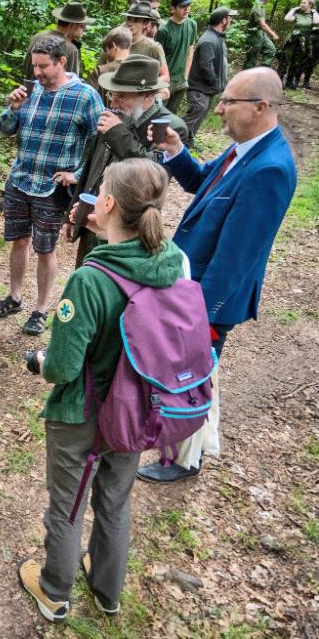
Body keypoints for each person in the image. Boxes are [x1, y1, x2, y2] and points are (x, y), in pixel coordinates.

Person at [18, 159, 185, 624]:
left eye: (101, 189)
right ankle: (108, 589)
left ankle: (54, 591)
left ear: (107, 203)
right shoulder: (170, 261)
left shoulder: (91, 280)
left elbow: (64, 367)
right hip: (139, 410)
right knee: (114, 500)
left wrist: (40, 362)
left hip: (85, 415)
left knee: (68, 506)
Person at [139, 67, 297, 483]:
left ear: (261, 108)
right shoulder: (242, 148)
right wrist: (175, 149)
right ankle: (174, 439)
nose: (219, 110)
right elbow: (198, 183)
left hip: (209, 301)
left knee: (190, 377)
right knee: (178, 373)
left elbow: (236, 258)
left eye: (229, 102)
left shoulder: (269, 170)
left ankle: (184, 459)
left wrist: (197, 314)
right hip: (192, 290)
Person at [0, 35, 102, 335]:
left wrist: (77, 174)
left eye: (43, 66)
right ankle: (14, 297)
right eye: (34, 65)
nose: (37, 73)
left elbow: (98, 141)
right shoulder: (31, 91)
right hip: (20, 180)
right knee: (19, 241)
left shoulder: (85, 96)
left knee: (45, 249)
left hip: (52, 190)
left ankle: (40, 309)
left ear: (62, 62)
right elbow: (5, 130)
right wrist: (12, 109)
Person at [70, 55, 187, 267]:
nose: (113, 103)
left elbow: (154, 175)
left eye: (122, 96)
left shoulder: (169, 126)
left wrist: (118, 134)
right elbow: (91, 167)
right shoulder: (115, 116)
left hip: (130, 229)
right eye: (112, 95)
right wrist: (74, 215)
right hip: (95, 218)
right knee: (87, 282)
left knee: (119, 290)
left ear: (146, 95)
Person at [183, 7, 238, 146]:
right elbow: (206, 66)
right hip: (199, 89)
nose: (231, 20)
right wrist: (215, 83)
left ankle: (188, 143)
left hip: (207, 88)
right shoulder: (209, 40)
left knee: (199, 117)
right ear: (223, 20)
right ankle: (175, 143)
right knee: (193, 116)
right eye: (229, 18)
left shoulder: (217, 37)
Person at [24, 0, 94, 78]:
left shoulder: (36, 37)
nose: (85, 29)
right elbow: (71, 82)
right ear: (72, 25)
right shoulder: (70, 49)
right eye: (82, 26)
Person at [156, 0, 199, 113]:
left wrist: (185, 76)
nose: (186, 9)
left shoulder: (192, 24)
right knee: (157, 114)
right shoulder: (163, 30)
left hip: (181, 81)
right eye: (182, 6)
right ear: (173, 9)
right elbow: (157, 58)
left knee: (171, 115)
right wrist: (163, 81)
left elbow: (190, 50)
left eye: (188, 6)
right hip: (165, 81)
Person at [122, 1, 170, 90]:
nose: (130, 23)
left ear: (146, 24)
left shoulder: (153, 47)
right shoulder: (116, 41)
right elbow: (99, 72)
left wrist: (143, 88)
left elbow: (165, 77)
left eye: (136, 20)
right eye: (129, 18)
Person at [279, 0, 319, 88]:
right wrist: (293, 9)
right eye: (301, 2)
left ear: (310, 5)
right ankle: (279, 80)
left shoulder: (313, 16)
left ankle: (289, 81)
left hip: (304, 41)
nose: (301, 4)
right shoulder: (297, 13)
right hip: (292, 40)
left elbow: (317, 22)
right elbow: (287, 19)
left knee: (296, 62)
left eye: (304, 3)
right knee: (285, 60)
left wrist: (314, 11)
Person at [86, 27, 132, 104]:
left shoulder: (100, 71)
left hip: (105, 115)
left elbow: (86, 99)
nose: (105, 54)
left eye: (106, 50)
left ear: (114, 46)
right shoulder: (140, 69)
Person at [245, 0, 280, 69]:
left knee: (271, 50)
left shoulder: (261, 4)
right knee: (251, 59)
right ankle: (246, 77)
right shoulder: (258, 6)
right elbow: (262, 24)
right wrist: (273, 34)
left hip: (260, 33)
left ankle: (262, 71)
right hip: (253, 35)